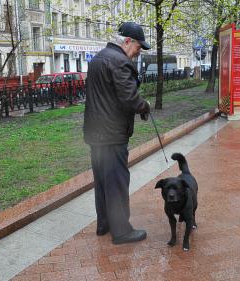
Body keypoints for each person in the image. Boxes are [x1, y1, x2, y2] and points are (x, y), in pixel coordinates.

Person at [83, 22, 151, 244]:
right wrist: (145, 106)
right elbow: (129, 98)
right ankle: (121, 231)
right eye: (139, 47)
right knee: (118, 183)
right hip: (112, 134)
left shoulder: (98, 58)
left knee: (102, 181)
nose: (139, 52)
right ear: (127, 41)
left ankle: (104, 224)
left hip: (96, 134)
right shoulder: (121, 62)